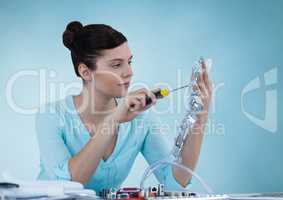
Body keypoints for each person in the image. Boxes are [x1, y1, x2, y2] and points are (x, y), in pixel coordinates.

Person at [35, 21, 213, 193]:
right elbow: (68, 185)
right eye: (117, 65)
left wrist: (200, 115)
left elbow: (174, 181)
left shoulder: (141, 118)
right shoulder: (51, 116)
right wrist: (113, 120)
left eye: (130, 62)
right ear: (85, 72)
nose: (129, 72)